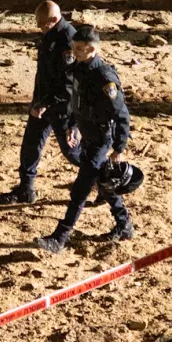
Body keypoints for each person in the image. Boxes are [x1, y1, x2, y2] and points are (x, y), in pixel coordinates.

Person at [34, 24, 135, 254]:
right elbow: (75, 100)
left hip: (101, 139)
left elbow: (121, 114)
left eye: (78, 49)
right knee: (103, 182)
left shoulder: (104, 77)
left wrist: (119, 147)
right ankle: (124, 224)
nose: (74, 53)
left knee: (80, 190)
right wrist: (71, 125)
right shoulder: (79, 69)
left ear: (91, 49)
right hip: (88, 135)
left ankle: (60, 237)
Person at [0, 0, 75, 204]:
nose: (39, 28)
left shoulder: (68, 41)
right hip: (42, 102)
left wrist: (47, 104)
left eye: (42, 24)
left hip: (60, 107)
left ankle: (104, 180)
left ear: (54, 19)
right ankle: (26, 188)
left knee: (73, 152)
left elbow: (68, 85)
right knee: (30, 145)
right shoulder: (50, 35)